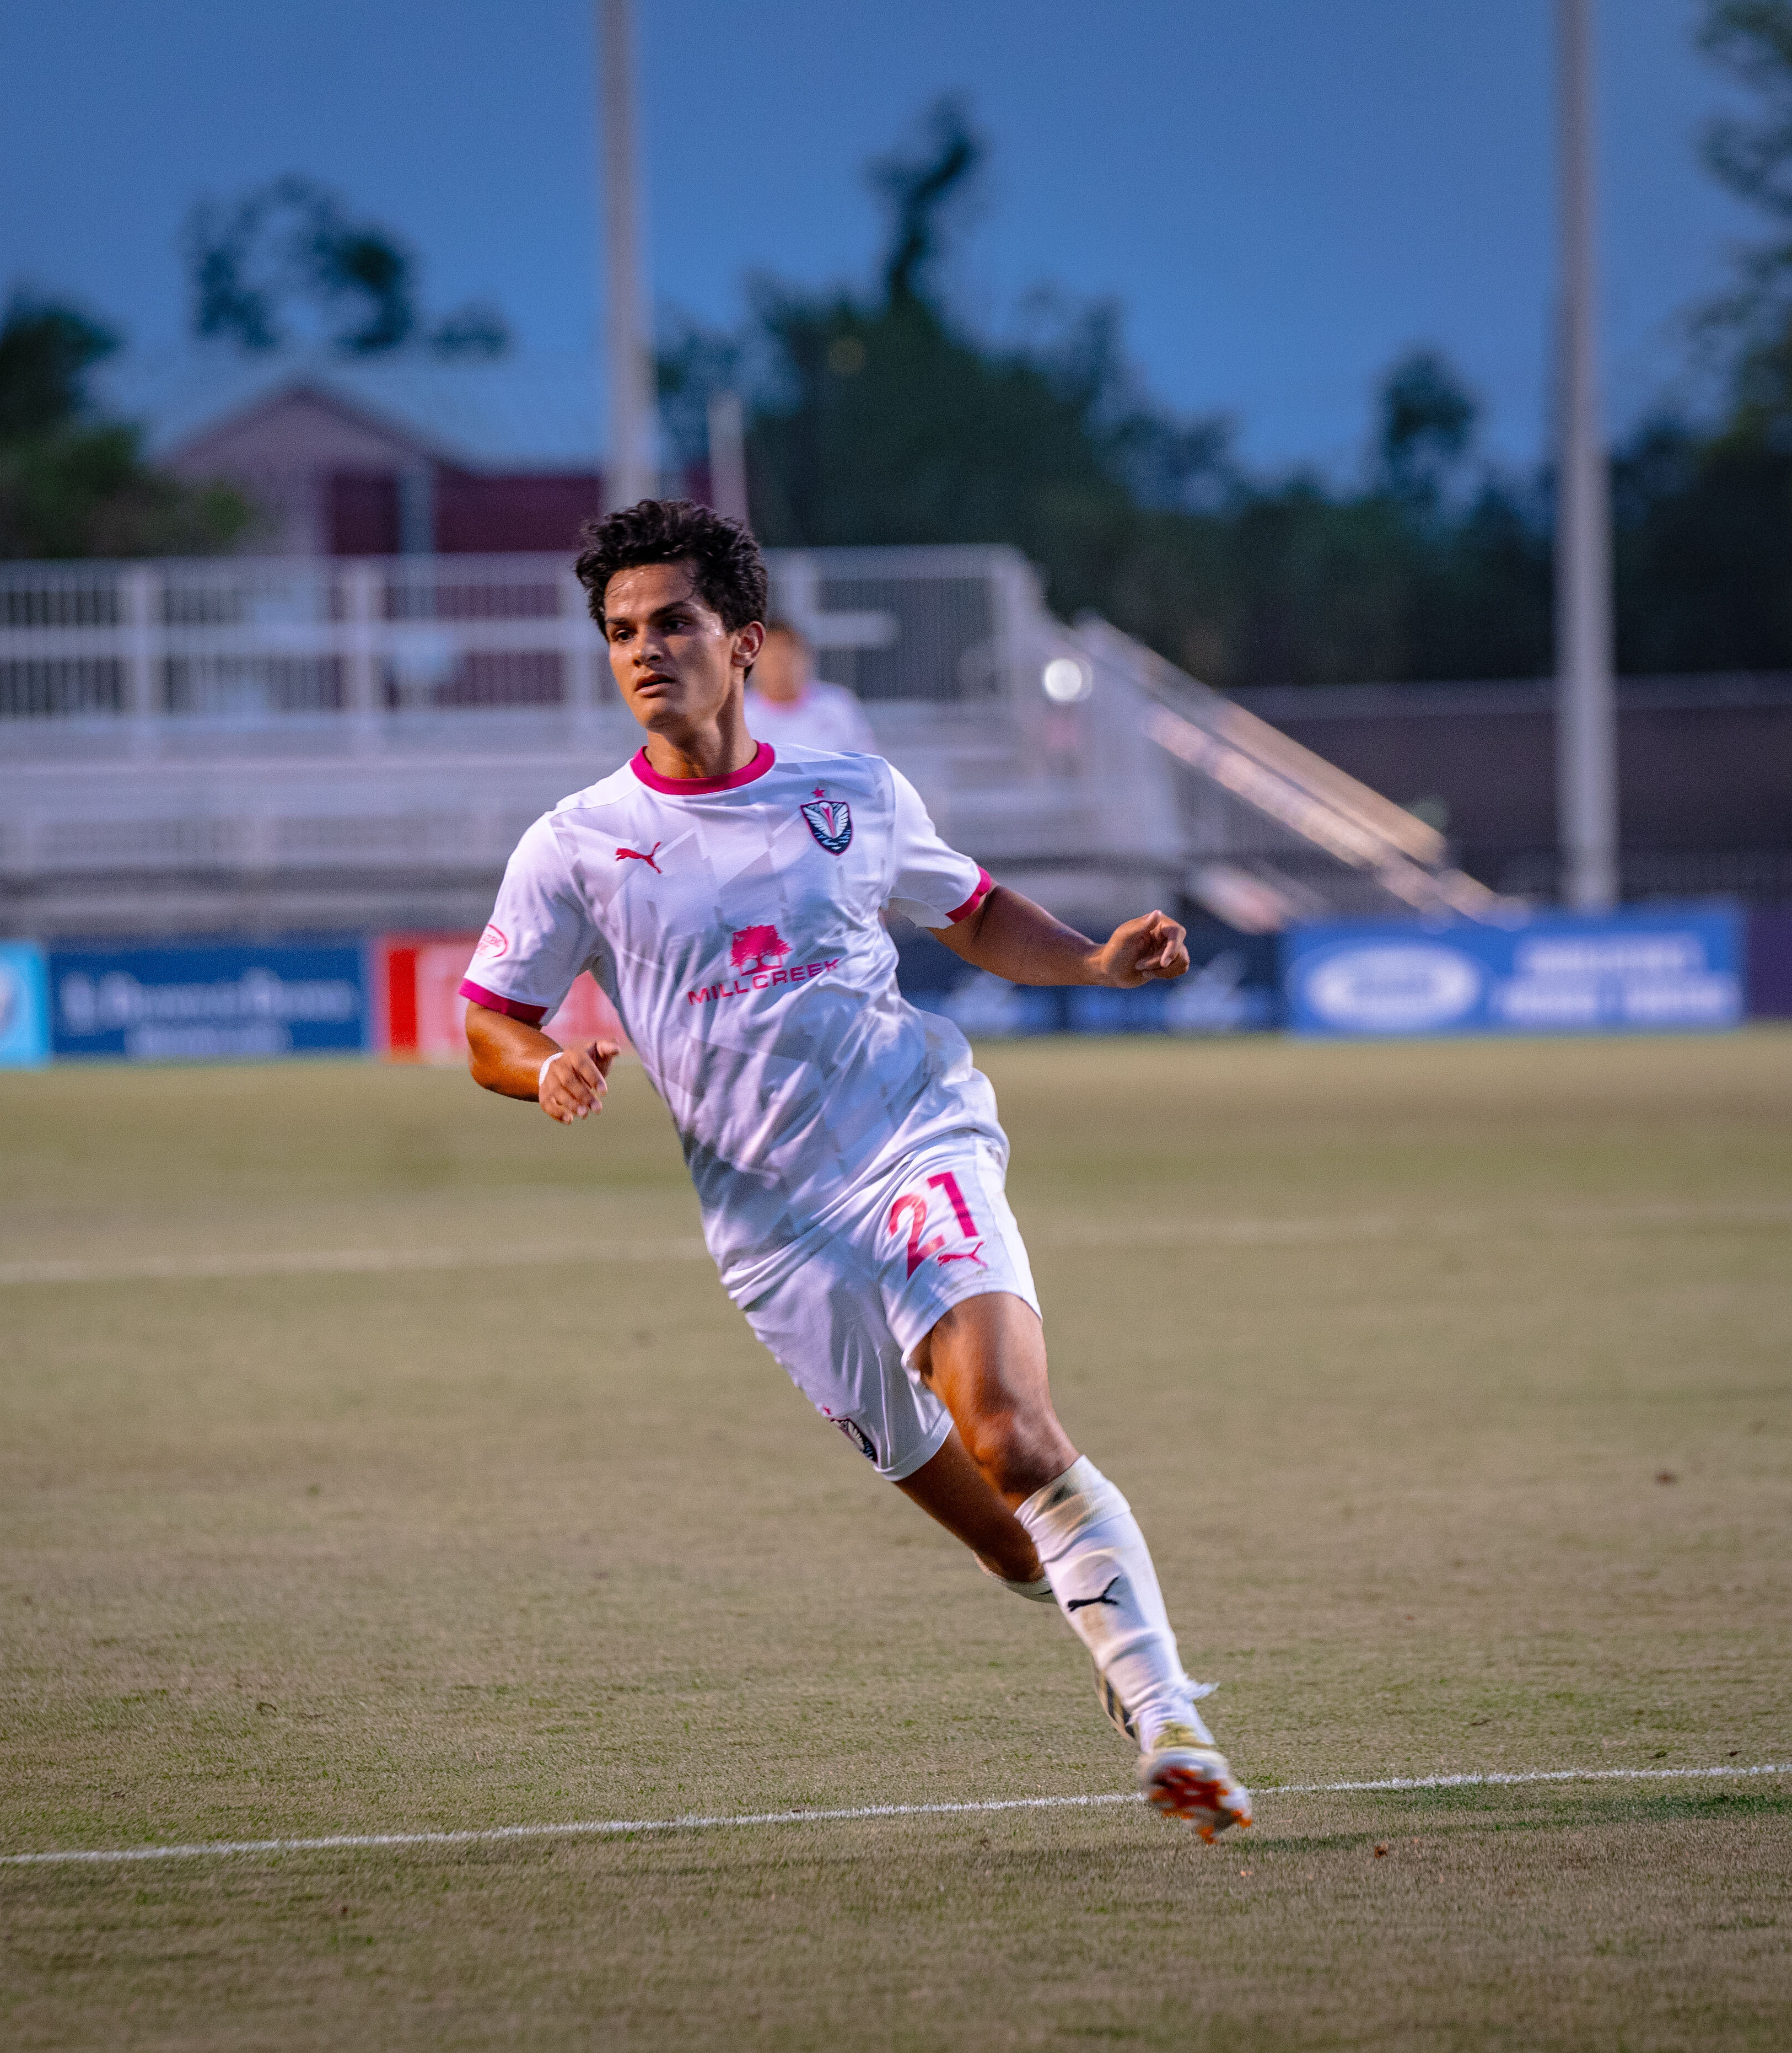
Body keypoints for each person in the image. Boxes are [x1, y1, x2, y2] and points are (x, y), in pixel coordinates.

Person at [459, 501, 1251, 1841]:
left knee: (1012, 1429)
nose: (643, 651)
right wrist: (542, 1069)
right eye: (619, 632)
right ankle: (1120, 1664)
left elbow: (977, 909)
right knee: (1008, 1540)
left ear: (745, 642)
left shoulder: (849, 793)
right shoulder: (575, 843)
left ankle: (1173, 1717)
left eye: (672, 623)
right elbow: (488, 1015)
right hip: (773, 1240)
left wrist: (1097, 959)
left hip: (910, 1137)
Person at [745, 615, 880, 755]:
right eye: (774, 660)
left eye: (789, 658)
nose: (782, 669)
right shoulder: (741, 715)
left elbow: (866, 761)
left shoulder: (837, 704)